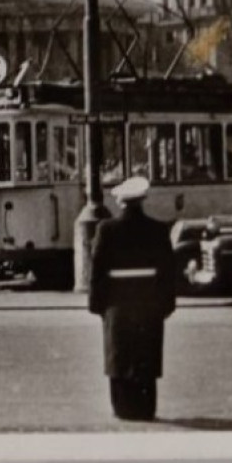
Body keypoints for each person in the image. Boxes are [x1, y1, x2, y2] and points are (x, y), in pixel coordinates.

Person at [89, 175, 177, 421]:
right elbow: (168, 273)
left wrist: (98, 307)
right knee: (146, 357)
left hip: (117, 304)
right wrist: (165, 306)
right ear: (143, 200)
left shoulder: (106, 230)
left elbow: (97, 273)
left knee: (119, 356)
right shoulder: (159, 230)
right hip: (149, 304)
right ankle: (145, 408)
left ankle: (123, 409)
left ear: (120, 202)